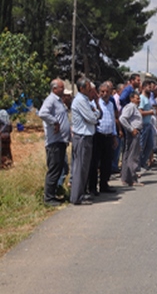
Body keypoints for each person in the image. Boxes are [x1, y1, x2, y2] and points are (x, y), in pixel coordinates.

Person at [38, 79, 71, 206]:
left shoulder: (58, 101)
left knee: (59, 169)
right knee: (54, 169)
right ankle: (48, 198)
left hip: (61, 141)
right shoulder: (51, 100)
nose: (63, 90)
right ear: (54, 89)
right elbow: (42, 113)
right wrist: (54, 122)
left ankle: (53, 195)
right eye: (61, 88)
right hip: (54, 142)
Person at [70, 77, 101, 205]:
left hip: (86, 137)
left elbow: (94, 114)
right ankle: (76, 197)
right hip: (82, 137)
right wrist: (96, 113)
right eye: (88, 87)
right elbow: (92, 118)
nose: (91, 89)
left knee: (84, 168)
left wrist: (96, 113)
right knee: (80, 168)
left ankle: (80, 193)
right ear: (81, 88)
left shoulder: (85, 100)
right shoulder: (80, 101)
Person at [88, 81, 118, 195]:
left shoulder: (110, 104)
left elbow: (113, 121)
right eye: (102, 92)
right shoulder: (95, 104)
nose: (104, 94)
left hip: (108, 136)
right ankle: (92, 187)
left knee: (107, 162)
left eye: (107, 92)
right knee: (95, 163)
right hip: (98, 135)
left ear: (111, 93)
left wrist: (114, 136)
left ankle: (104, 184)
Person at [119, 91, 144, 187]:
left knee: (128, 155)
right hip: (133, 133)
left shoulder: (134, 108)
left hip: (134, 132)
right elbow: (122, 118)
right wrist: (131, 129)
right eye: (137, 98)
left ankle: (126, 178)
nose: (139, 100)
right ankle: (132, 179)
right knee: (133, 156)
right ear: (131, 99)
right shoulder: (131, 107)